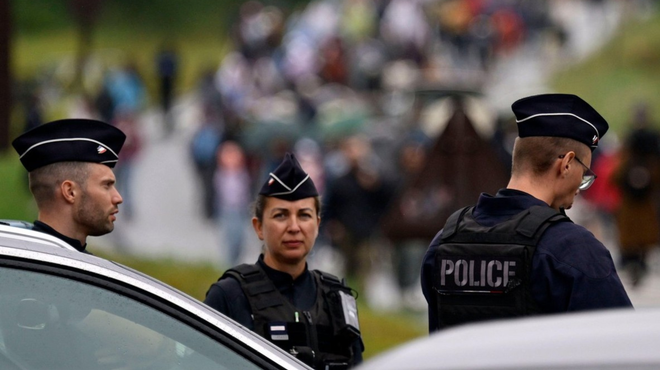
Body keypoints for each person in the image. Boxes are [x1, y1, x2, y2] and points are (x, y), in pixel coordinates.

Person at [421, 93, 633, 332]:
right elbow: (621, 343)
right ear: (566, 164)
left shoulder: (444, 242)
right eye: (584, 174)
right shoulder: (574, 250)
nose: (580, 188)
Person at [204, 153, 364, 369]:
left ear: (317, 225)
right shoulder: (230, 296)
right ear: (258, 227)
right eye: (281, 215)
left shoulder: (337, 299)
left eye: (304, 215)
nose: (294, 227)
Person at [11, 118, 126, 254]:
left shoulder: (26, 260)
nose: (118, 198)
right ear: (70, 192)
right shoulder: (46, 268)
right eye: (107, 185)